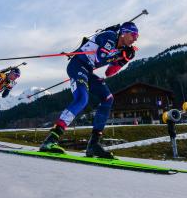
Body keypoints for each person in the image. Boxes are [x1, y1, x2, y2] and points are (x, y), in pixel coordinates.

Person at [39, 22, 139, 158]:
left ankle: (93, 145)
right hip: (77, 65)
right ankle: (51, 139)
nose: (135, 39)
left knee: (108, 98)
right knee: (82, 99)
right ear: (124, 32)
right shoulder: (110, 37)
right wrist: (120, 55)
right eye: (133, 35)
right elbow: (100, 57)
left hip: (88, 71)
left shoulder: (120, 48)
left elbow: (109, 72)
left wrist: (123, 60)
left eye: (137, 36)